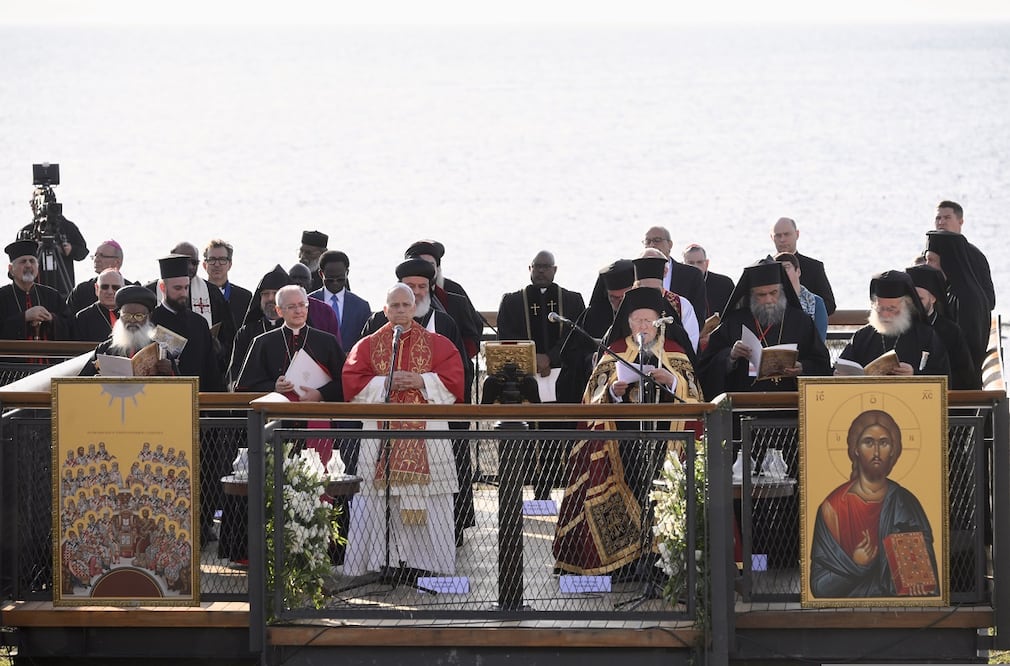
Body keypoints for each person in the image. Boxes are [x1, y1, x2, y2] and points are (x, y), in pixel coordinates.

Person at [553, 287, 704, 575]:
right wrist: (613, 391)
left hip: (667, 444)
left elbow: (694, 394)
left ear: (660, 322)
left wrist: (672, 382)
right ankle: (626, 562)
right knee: (629, 493)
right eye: (637, 321)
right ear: (628, 322)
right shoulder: (616, 350)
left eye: (649, 321)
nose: (643, 327)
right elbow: (593, 396)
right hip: (623, 446)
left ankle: (663, 561)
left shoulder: (675, 350)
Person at [341, 283, 465, 576]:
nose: (400, 310)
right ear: (385, 310)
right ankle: (382, 562)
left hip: (428, 438)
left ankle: (429, 564)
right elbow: (352, 383)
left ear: (414, 308)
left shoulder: (438, 344)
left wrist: (422, 381)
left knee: (433, 499)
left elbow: (455, 382)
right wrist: (384, 383)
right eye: (394, 306)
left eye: (405, 305)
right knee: (378, 500)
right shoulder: (368, 345)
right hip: (380, 438)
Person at [359, 258, 475, 544]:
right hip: (385, 428)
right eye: (410, 286)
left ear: (430, 289)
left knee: (437, 491)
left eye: (422, 287)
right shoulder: (376, 325)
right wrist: (386, 383)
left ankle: (438, 547)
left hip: (432, 427)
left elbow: (459, 373)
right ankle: (386, 553)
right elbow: (356, 375)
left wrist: (423, 381)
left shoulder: (444, 323)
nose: (417, 292)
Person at [810, 410, 939, 598]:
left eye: (884, 443)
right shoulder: (833, 508)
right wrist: (858, 565)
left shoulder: (905, 503)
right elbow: (819, 587)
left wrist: (917, 579)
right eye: (868, 442)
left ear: (893, 450)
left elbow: (924, 574)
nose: (877, 452)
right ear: (856, 449)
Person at [496, 250, 586, 500]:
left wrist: (551, 357)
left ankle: (569, 494)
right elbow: (506, 335)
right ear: (530, 269)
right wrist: (532, 358)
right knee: (530, 436)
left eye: (546, 266)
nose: (542, 271)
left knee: (562, 433)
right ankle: (533, 494)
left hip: (564, 379)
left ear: (555, 270)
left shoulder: (572, 300)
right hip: (526, 379)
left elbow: (576, 336)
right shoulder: (513, 301)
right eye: (537, 266)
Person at [697, 261, 831, 394]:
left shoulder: (800, 320)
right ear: (751, 295)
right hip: (744, 401)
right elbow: (707, 366)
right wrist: (731, 356)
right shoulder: (734, 322)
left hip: (792, 400)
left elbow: (821, 362)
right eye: (761, 295)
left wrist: (801, 368)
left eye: (773, 293)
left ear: (782, 291)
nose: (768, 300)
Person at [234, 285, 346, 401]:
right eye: (291, 307)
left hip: (318, 409)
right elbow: (246, 386)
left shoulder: (327, 341)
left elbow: (344, 381)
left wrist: (321, 394)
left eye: (302, 305)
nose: (298, 311)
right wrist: (273, 387)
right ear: (279, 311)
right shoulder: (262, 342)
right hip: (276, 410)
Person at [835, 271, 949, 377]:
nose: (885, 314)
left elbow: (943, 375)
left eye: (891, 309)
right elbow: (843, 365)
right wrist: (839, 375)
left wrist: (914, 373)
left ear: (907, 306)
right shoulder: (863, 336)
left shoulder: (925, 335)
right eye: (880, 308)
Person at [926, 223, 994, 379]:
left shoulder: (966, 299)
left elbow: (964, 352)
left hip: (963, 383)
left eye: (931, 260)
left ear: (947, 261)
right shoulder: (954, 290)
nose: (927, 266)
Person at [149, 254, 225, 391]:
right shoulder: (151, 322)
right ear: (162, 287)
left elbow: (211, 370)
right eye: (177, 288)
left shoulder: (199, 323)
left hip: (197, 398)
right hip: (161, 396)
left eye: (186, 287)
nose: (184, 293)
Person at [404, 239, 484, 362]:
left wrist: (458, 358)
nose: (426, 269)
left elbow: (472, 335)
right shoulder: (397, 301)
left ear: (437, 268)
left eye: (431, 265)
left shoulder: (455, 296)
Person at [905, 264, 980, 390]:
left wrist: (916, 375)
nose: (914, 303)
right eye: (910, 298)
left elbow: (964, 377)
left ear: (933, 298)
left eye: (920, 299)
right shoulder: (900, 327)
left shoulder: (950, 331)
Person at [19, 186, 89, 295]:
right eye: (33, 203)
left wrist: (71, 250)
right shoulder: (28, 230)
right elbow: (16, 262)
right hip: (34, 289)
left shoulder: (67, 227)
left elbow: (83, 251)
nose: (33, 207)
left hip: (62, 287)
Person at [79, 285, 159, 376]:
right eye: (126, 316)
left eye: (139, 316)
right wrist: (97, 377)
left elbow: (171, 382)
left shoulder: (159, 351)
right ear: (119, 315)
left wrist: (168, 372)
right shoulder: (105, 349)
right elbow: (81, 381)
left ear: (148, 317)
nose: (132, 321)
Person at [0, 239, 71, 341]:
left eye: (32, 261)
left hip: (47, 351)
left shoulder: (52, 295)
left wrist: (51, 318)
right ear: (11, 269)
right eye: (23, 261)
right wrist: (24, 317)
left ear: (37, 267)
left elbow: (70, 326)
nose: (28, 265)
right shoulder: (2, 296)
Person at [632, 251, 699, 353]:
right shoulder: (628, 304)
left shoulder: (681, 305)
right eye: (645, 290)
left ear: (665, 272)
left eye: (655, 290)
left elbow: (690, 344)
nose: (650, 296)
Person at [308, 250, 372, 352]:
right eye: (330, 279)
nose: (335, 283)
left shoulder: (361, 306)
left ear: (347, 273)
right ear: (321, 274)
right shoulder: (308, 303)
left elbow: (366, 342)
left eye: (340, 279)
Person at [641, 226, 707, 324]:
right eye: (648, 241)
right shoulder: (633, 273)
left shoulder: (692, 275)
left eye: (657, 240)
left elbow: (698, 316)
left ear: (670, 244)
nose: (652, 245)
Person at [771, 217, 836, 315]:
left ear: (797, 234)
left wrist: (805, 314)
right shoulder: (763, 269)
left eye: (787, 234)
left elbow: (829, 304)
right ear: (772, 237)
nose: (782, 239)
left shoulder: (814, 267)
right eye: (778, 235)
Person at [66, 240, 135, 314]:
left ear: (117, 262)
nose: (96, 260)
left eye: (102, 256)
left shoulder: (132, 292)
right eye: (95, 256)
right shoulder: (81, 290)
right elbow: (67, 317)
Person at [202, 239, 252, 335]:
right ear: (205, 265)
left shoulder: (245, 297)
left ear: (230, 264)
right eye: (212, 259)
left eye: (222, 260)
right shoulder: (195, 294)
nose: (217, 264)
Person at [775, 252, 828, 342]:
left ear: (798, 271)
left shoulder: (816, 302)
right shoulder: (772, 302)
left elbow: (820, 339)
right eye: (779, 269)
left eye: (786, 267)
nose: (782, 272)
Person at [682, 243, 735, 318]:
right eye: (691, 263)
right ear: (682, 265)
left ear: (707, 263)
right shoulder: (676, 284)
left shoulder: (725, 284)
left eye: (699, 262)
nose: (696, 267)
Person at [72, 268, 125, 342]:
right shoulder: (83, 318)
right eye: (104, 287)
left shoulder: (130, 315)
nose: (110, 292)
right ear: (96, 289)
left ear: (122, 289)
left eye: (115, 287)